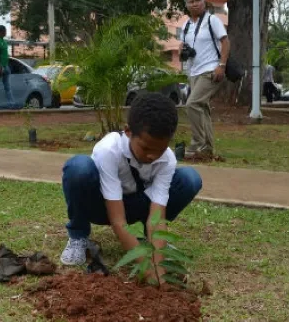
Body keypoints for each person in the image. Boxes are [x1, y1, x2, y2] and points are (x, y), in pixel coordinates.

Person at [59, 92, 203, 280]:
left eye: (159, 150)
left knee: (189, 179)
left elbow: (157, 218)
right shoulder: (109, 150)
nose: (152, 156)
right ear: (128, 131)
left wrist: (158, 268)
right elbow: (118, 221)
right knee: (78, 168)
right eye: (145, 148)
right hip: (103, 206)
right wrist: (145, 267)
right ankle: (78, 237)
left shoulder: (166, 160)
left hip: (138, 206)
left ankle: (150, 241)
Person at [179, 0, 231, 159]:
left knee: (192, 104)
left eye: (197, 0)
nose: (194, 4)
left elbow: (225, 42)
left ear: (204, 1)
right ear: (186, 5)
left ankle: (197, 144)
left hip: (211, 69)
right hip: (194, 71)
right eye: (190, 2)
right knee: (203, 108)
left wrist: (221, 65)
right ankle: (208, 148)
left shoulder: (212, 20)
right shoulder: (186, 25)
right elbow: (184, 47)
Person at [0, 25, 17, 109]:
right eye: (5, 31)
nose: (6, 33)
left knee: (7, 86)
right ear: (1, 32)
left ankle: (12, 104)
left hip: (5, 66)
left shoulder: (3, 41)